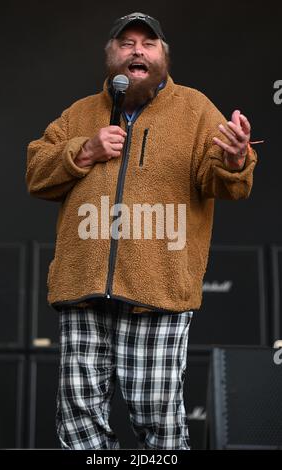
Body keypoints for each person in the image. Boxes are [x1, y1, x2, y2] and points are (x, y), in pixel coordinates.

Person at [26, 12, 258, 450]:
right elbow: (36, 172)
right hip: (83, 288)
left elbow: (223, 181)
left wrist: (234, 161)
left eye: (148, 44)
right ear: (110, 56)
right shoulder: (78, 114)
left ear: (163, 57)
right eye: (126, 42)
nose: (137, 50)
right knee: (78, 419)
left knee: (160, 422)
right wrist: (85, 149)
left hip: (158, 292)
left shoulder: (194, 109)